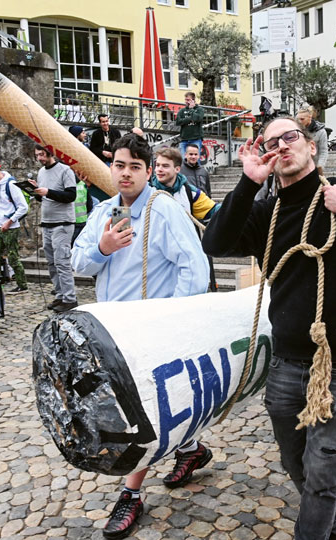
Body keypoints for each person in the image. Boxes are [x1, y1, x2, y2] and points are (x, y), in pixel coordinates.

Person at [203, 117, 336, 540]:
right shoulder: (266, 213)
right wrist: (247, 183)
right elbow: (216, 243)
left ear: (312, 147)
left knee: (324, 469)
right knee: (295, 461)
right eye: (271, 142)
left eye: (290, 137)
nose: (281, 146)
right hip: (288, 360)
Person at [71, 133, 211, 539]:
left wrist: (173, 318)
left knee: (141, 416)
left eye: (135, 166)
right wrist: (104, 247)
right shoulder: (103, 212)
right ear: (110, 167)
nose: (126, 173)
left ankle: (131, 495)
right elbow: (79, 261)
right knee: (153, 407)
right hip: (113, 331)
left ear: (148, 171)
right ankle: (191, 449)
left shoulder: (164, 210)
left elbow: (195, 268)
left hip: (151, 330)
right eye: (119, 165)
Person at [152, 147, 221, 292]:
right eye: (157, 165)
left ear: (177, 169)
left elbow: (213, 210)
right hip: (156, 258)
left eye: (165, 166)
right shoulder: (148, 191)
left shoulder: (190, 192)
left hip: (185, 256)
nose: (159, 169)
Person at [30, 144, 78, 312]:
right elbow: (43, 199)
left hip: (63, 223)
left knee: (62, 261)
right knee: (51, 262)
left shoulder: (65, 170)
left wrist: (48, 192)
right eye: (37, 155)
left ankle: (70, 298)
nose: (39, 158)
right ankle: (60, 295)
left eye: (42, 155)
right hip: (47, 222)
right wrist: (36, 191)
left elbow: (71, 196)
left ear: (50, 153)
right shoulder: (41, 172)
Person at [0, 160, 29, 293]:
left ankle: (22, 285)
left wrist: (9, 221)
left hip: (10, 227)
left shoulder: (11, 184)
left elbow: (23, 207)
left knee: (13, 257)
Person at [176, 92, 204, 157]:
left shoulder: (199, 110)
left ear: (193, 100)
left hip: (195, 139)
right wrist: (190, 119)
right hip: (184, 139)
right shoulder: (182, 111)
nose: (186, 101)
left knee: (195, 160)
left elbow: (198, 119)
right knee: (183, 160)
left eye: (188, 100)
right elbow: (178, 122)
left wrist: (191, 109)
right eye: (185, 99)